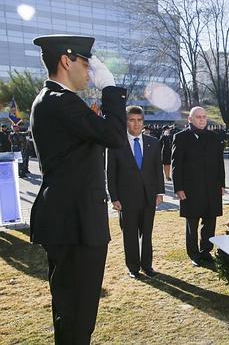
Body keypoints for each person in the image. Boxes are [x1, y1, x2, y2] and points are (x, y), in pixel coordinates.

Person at [29, 35, 126, 344]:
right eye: (86, 63)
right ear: (66, 61)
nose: (90, 71)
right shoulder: (60, 101)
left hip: (73, 221)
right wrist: (109, 88)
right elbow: (114, 135)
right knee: (76, 317)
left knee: (74, 315)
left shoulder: (56, 101)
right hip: (74, 224)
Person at [107, 105, 164, 279]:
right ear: (126, 122)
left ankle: (147, 265)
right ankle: (133, 268)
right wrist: (114, 197)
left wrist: (160, 192)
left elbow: (157, 169)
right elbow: (110, 172)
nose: (136, 124)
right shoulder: (116, 144)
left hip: (149, 197)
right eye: (132, 120)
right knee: (130, 234)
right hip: (126, 198)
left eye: (139, 120)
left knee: (147, 234)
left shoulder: (153, 142)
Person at [172, 106, 225, 267]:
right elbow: (176, 165)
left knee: (210, 221)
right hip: (190, 189)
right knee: (192, 224)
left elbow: (219, 163)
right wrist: (178, 188)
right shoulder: (180, 138)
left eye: (204, 117)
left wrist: (221, 184)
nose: (202, 119)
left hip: (211, 188)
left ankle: (206, 251)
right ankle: (194, 254)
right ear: (190, 119)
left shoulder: (214, 137)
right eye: (198, 117)